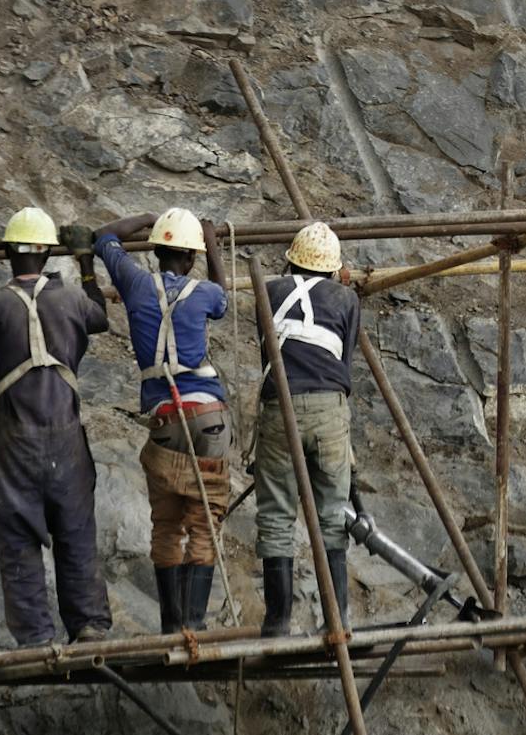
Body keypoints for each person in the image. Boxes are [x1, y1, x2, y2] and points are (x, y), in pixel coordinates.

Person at [0, 207, 113, 647]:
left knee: (18, 536)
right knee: (75, 528)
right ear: (49, 253)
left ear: (10, 255)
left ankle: (36, 638)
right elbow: (100, 315)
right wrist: (86, 259)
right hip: (65, 433)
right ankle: (89, 626)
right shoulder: (71, 298)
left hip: (16, 439)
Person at [93, 208, 230, 634]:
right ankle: (195, 623)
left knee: (168, 523)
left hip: (164, 420)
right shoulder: (204, 292)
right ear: (190, 259)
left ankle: (173, 625)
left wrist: (146, 218)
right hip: (207, 415)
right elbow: (223, 296)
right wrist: (211, 240)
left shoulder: (134, 284)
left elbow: (103, 237)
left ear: (154, 252)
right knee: (204, 520)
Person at [255, 221, 360, 637]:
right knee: (333, 515)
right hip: (329, 408)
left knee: (277, 515)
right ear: (334, 269)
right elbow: (345, 360)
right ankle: (338, 620)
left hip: (280, 407)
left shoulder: (271, 290)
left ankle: (277, 623)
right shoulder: (346, 299)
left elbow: (267, 349)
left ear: (290, 260)